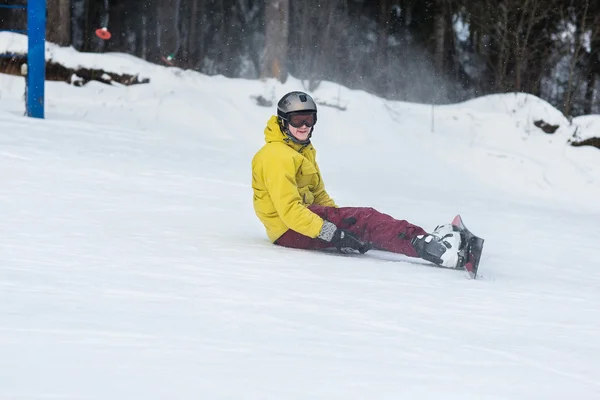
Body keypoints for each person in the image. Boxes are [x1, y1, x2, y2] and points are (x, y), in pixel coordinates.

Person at [251, 91, 463, 269]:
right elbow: (288, 211)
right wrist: (332, 233)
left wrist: (341, 223)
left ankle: (425, 240)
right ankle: (437, 250)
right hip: (289, 230)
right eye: (298, 119)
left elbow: (319, 194)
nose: (305, 125)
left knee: (361, 225)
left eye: (310, 119)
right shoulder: (276, 156)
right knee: (367, 219)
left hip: (302, 223)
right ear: (283, 121)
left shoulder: (301, 149)